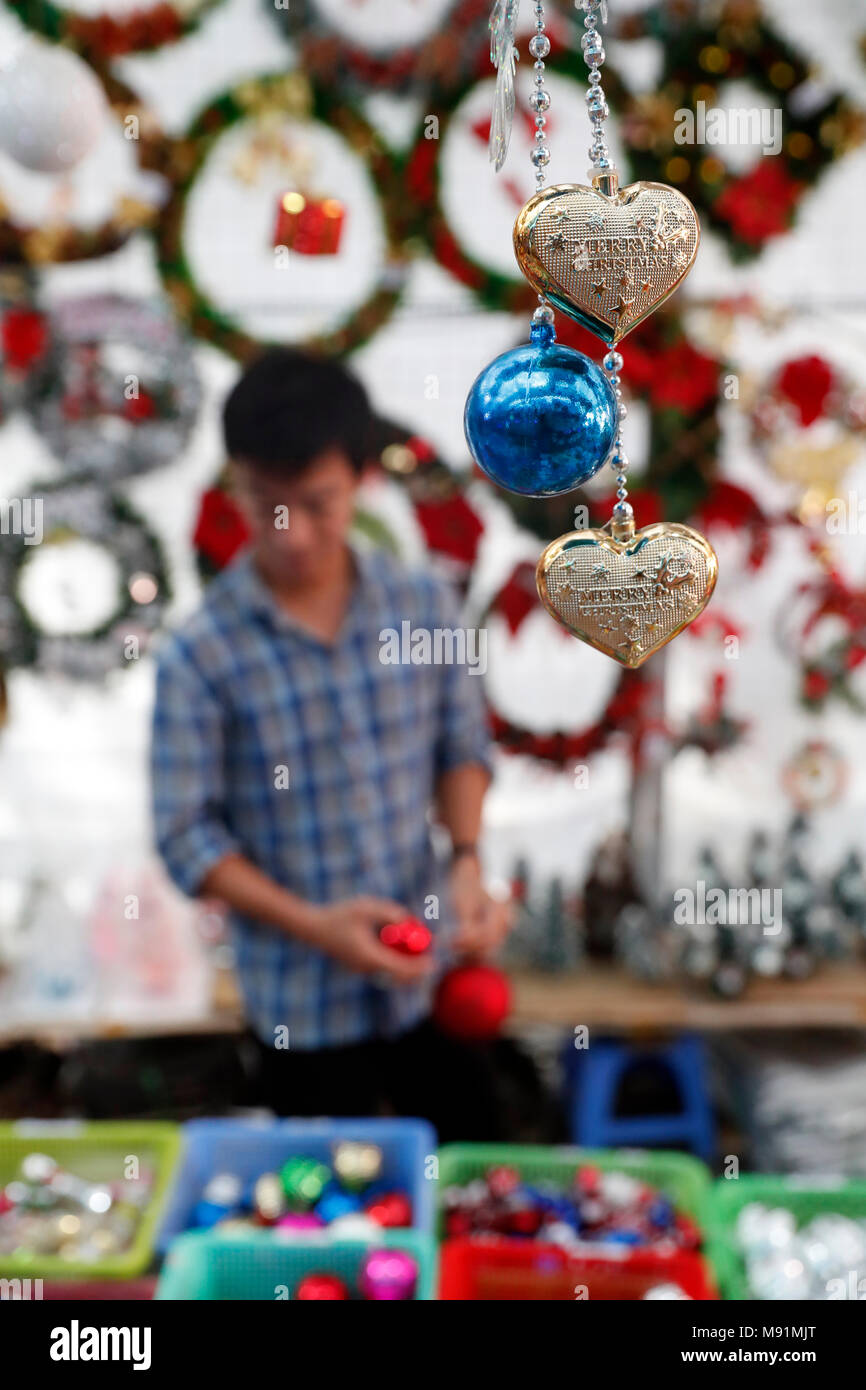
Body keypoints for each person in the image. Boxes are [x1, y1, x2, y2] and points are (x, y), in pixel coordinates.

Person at [151, 348, 512, 1139]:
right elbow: (185, 837)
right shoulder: (201, 651)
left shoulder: (420, 605)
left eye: (318, 502)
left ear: (361, 481)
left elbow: (462, 744)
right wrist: (316, 925)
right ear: (235, 483)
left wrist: (467, 861)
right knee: (333, 1229)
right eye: (265, 502)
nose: (293, 532)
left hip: (430, 975)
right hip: (298, 1006)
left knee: (474, 1171)